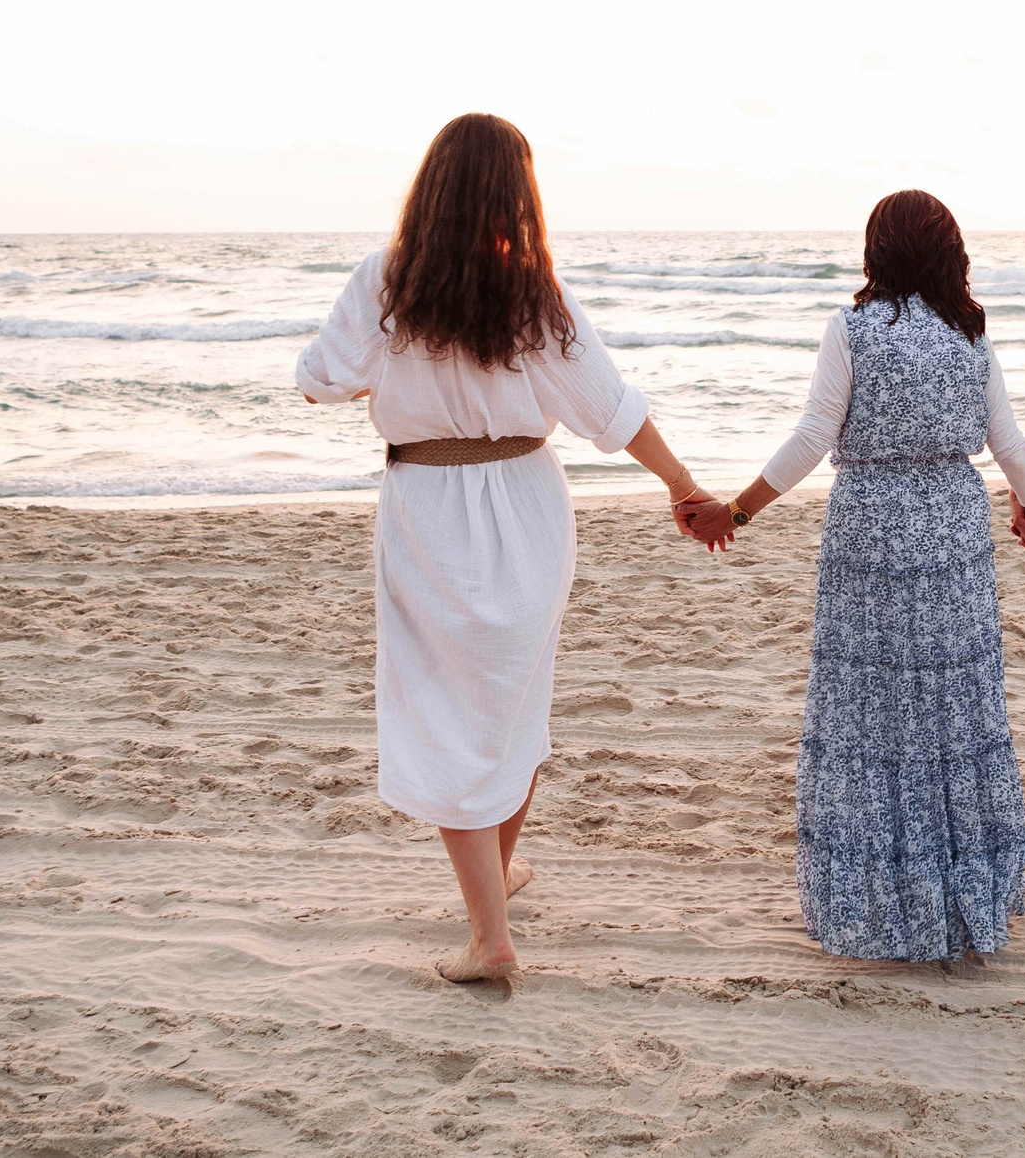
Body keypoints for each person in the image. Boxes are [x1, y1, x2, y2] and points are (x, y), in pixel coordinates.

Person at [296, 113, 718, 983]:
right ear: (517, 193)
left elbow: (318, 381)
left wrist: (399, 367)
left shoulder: (385, 282)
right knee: (511, 702)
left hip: (426, 510)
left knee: (450, 713)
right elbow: (613, 409)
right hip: (528, 508)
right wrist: (682, 485)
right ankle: (494, 878)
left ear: (432, 183)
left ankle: (490, 937)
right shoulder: (533, 292)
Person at [685, 190, 1025, 961]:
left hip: (869, 530)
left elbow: (815, 434)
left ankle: (873, 905)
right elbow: (1009, 440)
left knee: (869, 710)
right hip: (952, 525)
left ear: (875, 251)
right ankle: (962, 898)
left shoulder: (851, 329)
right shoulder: (970, 333)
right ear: (951, 253)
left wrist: (737, 513)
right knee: (953, 708)